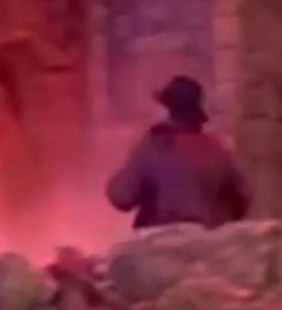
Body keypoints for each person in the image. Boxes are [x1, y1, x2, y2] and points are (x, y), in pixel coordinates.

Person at [106, 75, 251, 229]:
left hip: (160, 239)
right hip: (208, 240)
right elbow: (243, 200)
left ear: (169, 110)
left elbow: (121, 196)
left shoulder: (154, 146)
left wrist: (133, 158)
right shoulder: (217, 150)